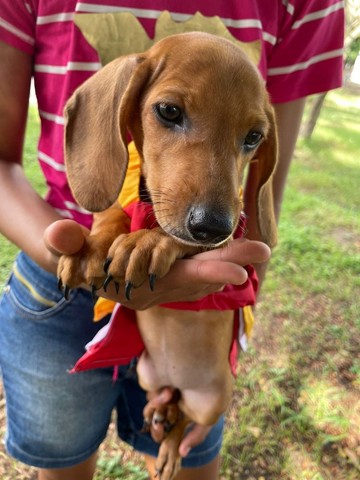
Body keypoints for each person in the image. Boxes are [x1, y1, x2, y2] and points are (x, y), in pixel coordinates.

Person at [0, 1, 344, 479]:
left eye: (249, 139)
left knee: (184, 462)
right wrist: (91, 249)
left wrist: (235, 334)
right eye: (171, 112)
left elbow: (263, 204)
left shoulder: (307, 4)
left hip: (203, 304)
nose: (208, 204)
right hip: (60, 285)